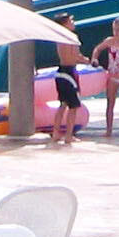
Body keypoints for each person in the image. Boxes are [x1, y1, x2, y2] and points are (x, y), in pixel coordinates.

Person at [49, 12, 83, 145]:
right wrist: (85, 60)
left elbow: (69, 55)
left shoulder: (59, 38)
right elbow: (73, 57)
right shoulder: (71, 38)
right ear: (64, 24)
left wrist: (81, 58)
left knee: (63, 104)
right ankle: (69, 135)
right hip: (69, 73)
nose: (73, 23)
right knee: (73, 106)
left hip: (61, 72)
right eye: (71, 21)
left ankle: (56, 132)